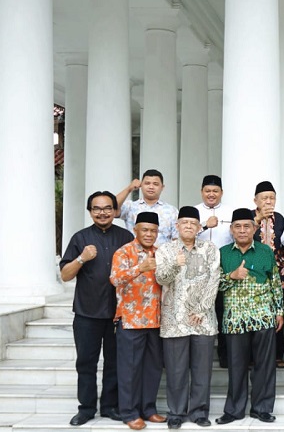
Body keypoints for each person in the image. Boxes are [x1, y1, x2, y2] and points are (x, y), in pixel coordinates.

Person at [60, 191, 133, 426]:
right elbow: (65, 275)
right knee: (86, 362)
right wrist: (82, 258)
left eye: (107, 208)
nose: (102, 212)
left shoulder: (126, 236)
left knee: (114, 362)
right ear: (90, 211)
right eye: (97, 208)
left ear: (114, 210)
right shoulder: (80, 238)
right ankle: (87, 407)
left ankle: (110, 406)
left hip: (117, 313)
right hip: (87, 313)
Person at [216, 208, 284, 425]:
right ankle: (234, 410)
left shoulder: (265, 251)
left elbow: (275, 283)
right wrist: (232, 276)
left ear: (255, 229)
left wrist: (279, 311)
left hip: (263, 316)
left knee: (265, 365)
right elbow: (213, 285)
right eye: (238, 226)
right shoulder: (223, 253)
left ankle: (262, 408)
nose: (242, 230)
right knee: (236, 366)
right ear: (231, 229)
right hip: (235, 318)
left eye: (247, 226)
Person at [155, 206, 220, 429]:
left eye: (193, 223)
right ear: (177, 226)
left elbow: (214, 280)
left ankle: (200, 411)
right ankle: (176, 412)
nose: (189, 226)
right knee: (175, 370)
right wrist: (175, 263)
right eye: (185, 223)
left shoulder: (210, 249)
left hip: (203, 320)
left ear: (199, 227)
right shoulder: (165, 250)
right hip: (175, 321)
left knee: (202, 370)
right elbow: (161, 279)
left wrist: (201, 310)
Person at [109, 212, 165, 430]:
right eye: (145, 230)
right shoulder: (124, 252)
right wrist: (139, 269)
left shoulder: (161, 253)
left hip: (156, 320)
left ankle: (149, 409)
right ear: (136, 230)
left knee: (152, 368)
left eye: (153, 230)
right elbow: (115, 279)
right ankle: (129, 412)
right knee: (129, 369)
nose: (149, 234)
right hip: (131, 320)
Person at [193, 174, 234, 369]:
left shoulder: (230, 212)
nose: (211, 194)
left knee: (223, 312)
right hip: (197, 271)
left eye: (215, 191)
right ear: (201, 192)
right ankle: (200, 359)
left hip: (224, 269)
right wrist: (203, 226)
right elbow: (182, 235)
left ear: (221, 193)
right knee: (199, 312)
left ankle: (225, 356)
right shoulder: (193, 211)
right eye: (207, 191)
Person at [251, 181, 284, 369]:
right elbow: (241, 238)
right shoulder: (249, 217)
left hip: (277, 275)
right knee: (253, 315)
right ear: (255, 200)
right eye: (264, 198)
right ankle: (252, 356)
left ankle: (277, 355)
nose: (269, 201)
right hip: (254, 276)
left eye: (272, 198)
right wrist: (258, 219)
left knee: (278, 314)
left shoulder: (280, 218)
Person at [116, 169, 178, 246]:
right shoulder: (130, 206)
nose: (151, 187)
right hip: (134, 255)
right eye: (147, 183)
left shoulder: (172, 211)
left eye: (155, 184)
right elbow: (111, 208)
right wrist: (129, 189)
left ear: (162, 187)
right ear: (141, 185)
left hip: (162, 256)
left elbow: (176, 238)